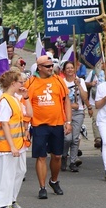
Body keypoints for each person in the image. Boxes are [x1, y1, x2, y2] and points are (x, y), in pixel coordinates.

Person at [25, 55, 72, 199]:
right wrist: (26, 127)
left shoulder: (58, 80)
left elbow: (66, 101)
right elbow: (25, 104)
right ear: (39, 67)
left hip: (57, 123)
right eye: (47, 66)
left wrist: (68, 122)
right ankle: (42, 186)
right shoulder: (31, 82)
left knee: (57, 155)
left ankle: (54, 180)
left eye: (52, 66)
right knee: (41, 156)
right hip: (39, 125)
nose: (51, 68)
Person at [0, 68, 32, 208]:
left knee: (20, 171)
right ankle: (4, 205)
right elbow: (4, 124)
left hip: (19, 143)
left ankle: (12, 200)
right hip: (9, 145)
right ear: (13, 83)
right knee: (7, 175)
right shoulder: (5, 100)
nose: (23, 84)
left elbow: (30, 114)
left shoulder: (16, 98)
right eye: (21, 81)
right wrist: (12, 146)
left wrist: (26, 98)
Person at [62, 60, 89, 172]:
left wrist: (79, 85)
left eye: (72, 68)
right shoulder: (61, 82)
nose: (70, 70)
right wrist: (71, 105)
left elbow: (85, 97)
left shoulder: (80, 80)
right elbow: (60, 99)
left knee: (75, 139)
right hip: (65, 112)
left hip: (78, 113)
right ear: (64, 71)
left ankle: (72, 161)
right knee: (67, 138)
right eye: (67, 68)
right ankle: (63, 156)